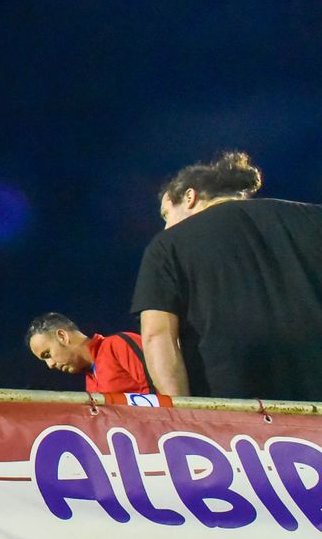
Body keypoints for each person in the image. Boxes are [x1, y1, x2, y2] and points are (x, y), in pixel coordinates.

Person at [132, 151, 322, 401]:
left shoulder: (167, 246)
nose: (166, 226)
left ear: (190, 197)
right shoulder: (312, 218)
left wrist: (182, 417)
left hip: (234, 417)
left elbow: (158, 336)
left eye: (167, 214)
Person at [24, 312, 152, 395]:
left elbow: (160, 388)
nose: (50, 365)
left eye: (47, 354)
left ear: (62, 336)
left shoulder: (118, 345)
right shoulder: (90, 381)